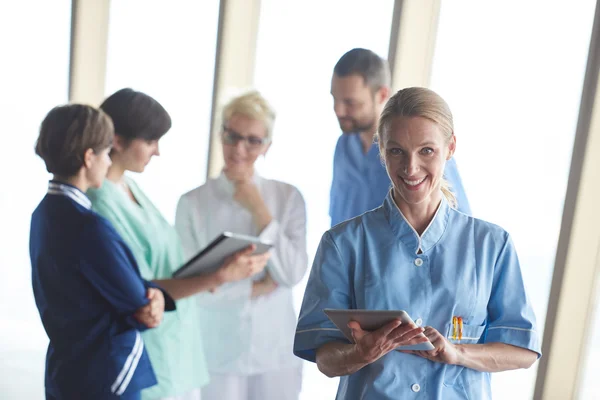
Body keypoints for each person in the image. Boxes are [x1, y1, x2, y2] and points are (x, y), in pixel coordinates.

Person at [294, 87, 540, 399]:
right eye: (397, 151)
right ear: (381, 150)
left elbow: (523, 351)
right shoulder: (342, 244)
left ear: (450, 147)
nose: (411, 168)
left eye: (426, 151)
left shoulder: (492, 245)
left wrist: (457, 353)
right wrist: (360, 354)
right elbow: (325, 359)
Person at [87, 88, 270, 400]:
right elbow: (138, 287)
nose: (157, 151)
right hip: (147, 348)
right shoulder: (102, 204)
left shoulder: (129, 188)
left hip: (173, 346)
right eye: (150, 141)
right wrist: (219, 276)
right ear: (117, 140)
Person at [30, 104, 175, 400]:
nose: (109, 161)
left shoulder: (43, 214)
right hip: (104, 374)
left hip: (68, 368)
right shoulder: (88, 227)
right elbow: (135, 300)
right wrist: (153, 298)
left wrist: (149, 293)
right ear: (88, 157)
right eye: (107, 152)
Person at [175, 91, 308, 400]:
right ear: (220, 133)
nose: (239, 149)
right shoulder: (192, 203)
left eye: (252, 140)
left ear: (267, 146)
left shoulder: (288, 198)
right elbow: (190, 288)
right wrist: (253, 289)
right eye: (232, 136)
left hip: (276, 351)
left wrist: (260, 211)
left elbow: (291, 274)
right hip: (219, 353)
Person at [329, 48, 471, 226]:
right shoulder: (344, 147)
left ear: (381, 95)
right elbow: (337, 215)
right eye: (335, 99)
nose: (338, 110)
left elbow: (459, 224)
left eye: (350, 102)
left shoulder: (425, 150)